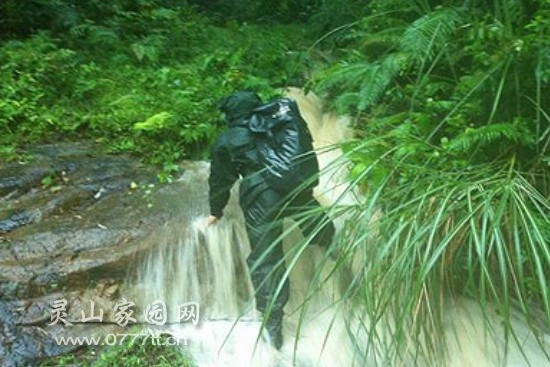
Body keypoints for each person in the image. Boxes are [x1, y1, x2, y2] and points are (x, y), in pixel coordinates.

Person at [204, 90, 335, 350]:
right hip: (296, 188)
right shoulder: (275, 125)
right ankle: (337, 255)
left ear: (231, 114)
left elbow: (221, 180)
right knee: (316, 222)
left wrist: (215, 211)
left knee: (267, 258)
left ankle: (273, 329)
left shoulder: (228, 140)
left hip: (261, 198)